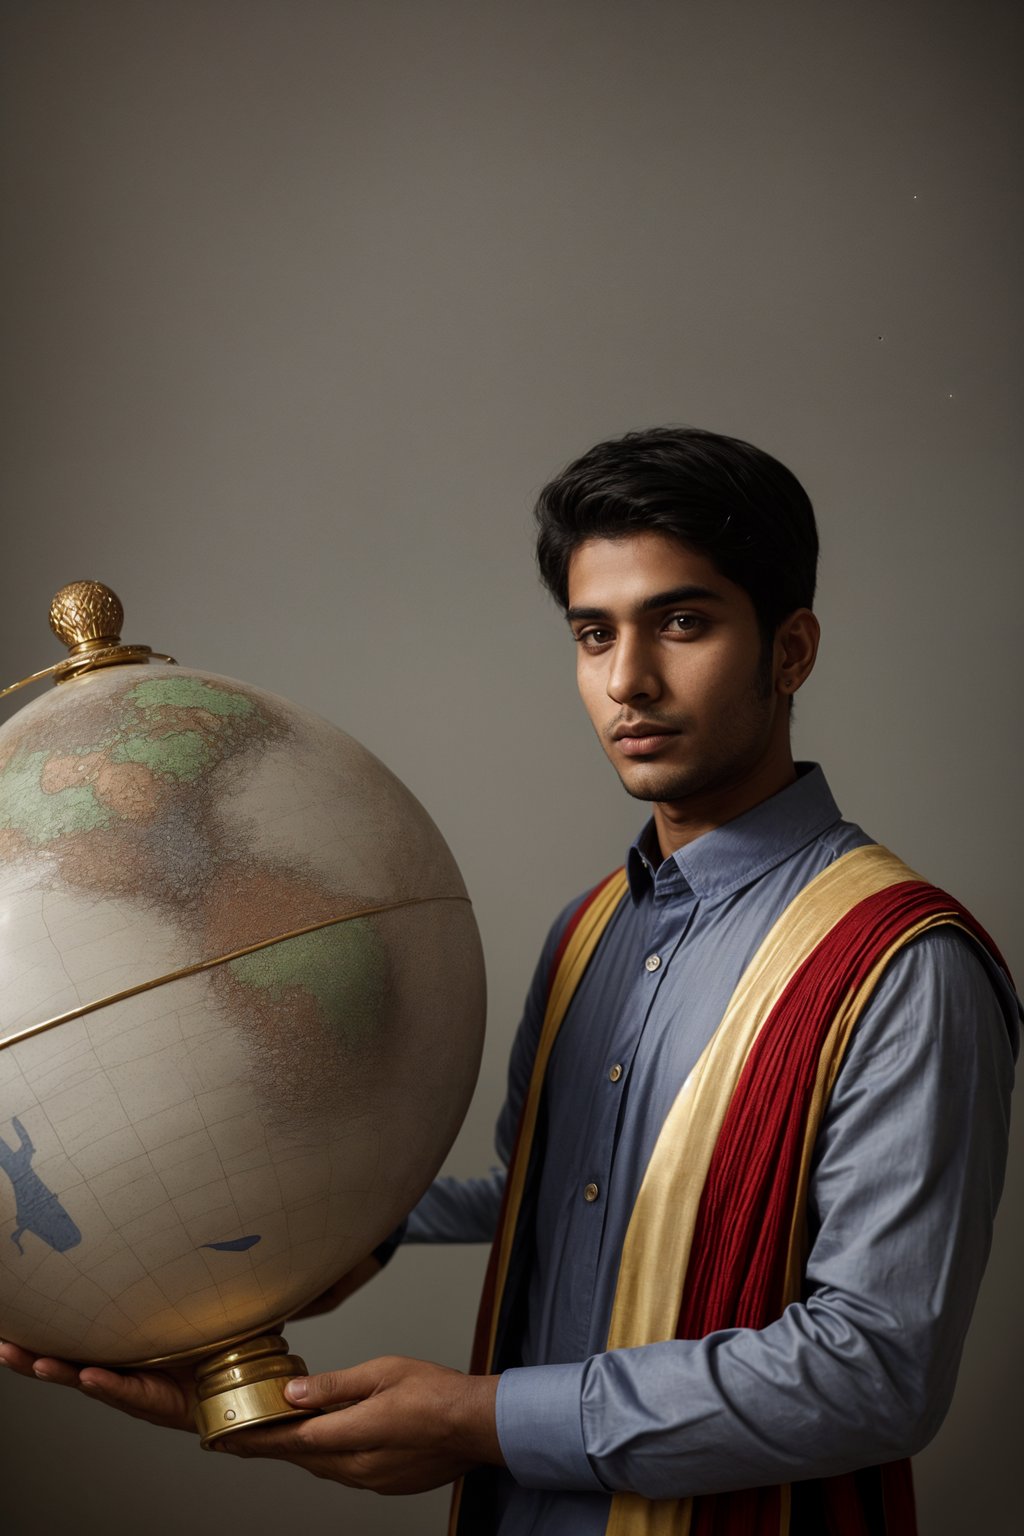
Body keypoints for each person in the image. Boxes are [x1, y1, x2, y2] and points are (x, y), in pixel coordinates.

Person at [1, 427, 1018, 1535]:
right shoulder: (588, 930)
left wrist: (480, 1422)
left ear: (791, 649)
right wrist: (251, 1257)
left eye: (683, 623)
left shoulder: (902, 965)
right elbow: (546, 1184)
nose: (628, 680)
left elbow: (874, 1374)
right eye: (593, 634)